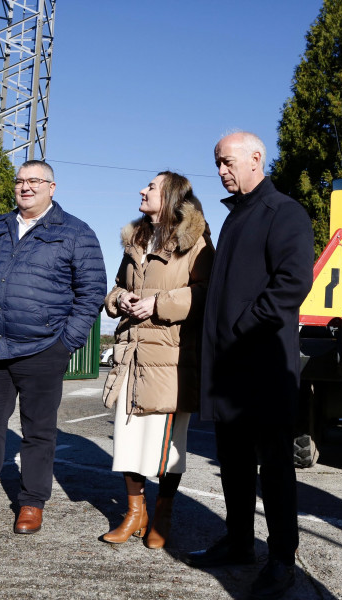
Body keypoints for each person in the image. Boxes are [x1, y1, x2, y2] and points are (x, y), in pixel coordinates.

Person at [0, 160, 106, 534]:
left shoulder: (76, 232)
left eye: (34, 180)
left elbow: (92, 292)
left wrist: (66, 342)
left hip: (43, 348)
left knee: (39, 430)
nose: (25, 187)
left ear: (52, 187)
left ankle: (32, 503)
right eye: (20, 180)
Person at [187, 132, 314, 600]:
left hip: (261, 365)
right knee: (234, 465)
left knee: (275, 468)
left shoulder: (283, 212)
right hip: (228, 370)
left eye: (227, 161)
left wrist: (241, 327)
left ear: (256, 158)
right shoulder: (235, 217)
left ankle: (282, 559)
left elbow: (292, 283)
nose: (221, 170)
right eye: (217, 163)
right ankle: (239, 542)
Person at [100, 171, 215, 549]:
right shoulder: (135, 239)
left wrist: (158, 303)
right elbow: (118, 286)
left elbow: (205, 293)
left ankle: (162, 514)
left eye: (151, 187)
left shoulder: (195, 241)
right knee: (128, 437)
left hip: (169, 356)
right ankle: (135, 513)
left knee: (168, 444)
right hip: (132, 352)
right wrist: (120, 301)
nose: (142, 190)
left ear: (170, 195)